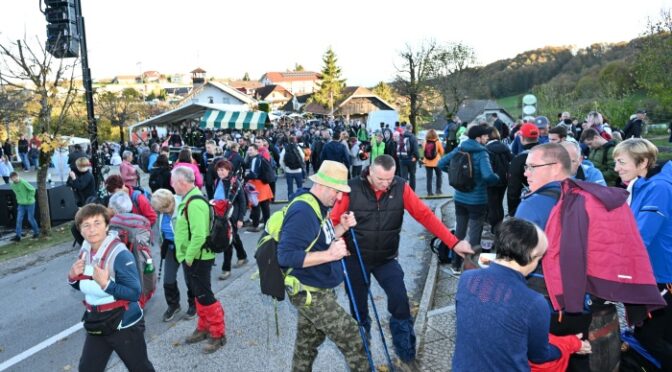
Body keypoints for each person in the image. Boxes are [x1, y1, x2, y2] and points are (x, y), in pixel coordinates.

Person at [331, 154, 474, 367]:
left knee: (400, 303)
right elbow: (333, 224)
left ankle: (406, 355)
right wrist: (339, 243)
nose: (386, 184)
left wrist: (453, 243)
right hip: (355, 259)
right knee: (358, 308)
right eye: (381, 179)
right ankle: (361, 355)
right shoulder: (350, 189)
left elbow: (424, 215)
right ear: (369, 171)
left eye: (389, 179)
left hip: (386, 258)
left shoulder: (400, 187)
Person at [452, 218, 591, 371]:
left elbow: (490, 325)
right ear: (530, 257)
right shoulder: (534, 302)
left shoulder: (467, 279)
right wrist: (570, 344)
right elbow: (539, 355)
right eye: (539, 258)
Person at [277, 160, 369, 372]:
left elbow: (320, 238)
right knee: (354, 337)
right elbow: (286, 256)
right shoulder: (303, 210)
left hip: (318, 289)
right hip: (309, 292)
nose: (339, 198)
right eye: (337, 192)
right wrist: (329, 255)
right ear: (324, 186)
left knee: (307, 345)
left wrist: (341, 227)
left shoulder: (318, 204)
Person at [67, 204, 155, 371]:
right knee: (87, 369)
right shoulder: (86, 250)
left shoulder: (120, 254)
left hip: (123, 323)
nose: (92, 229)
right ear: (80, 229)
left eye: (97, 223)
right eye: (86, 225)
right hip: (96, 321)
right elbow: (84, 284)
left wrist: (107, 284)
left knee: (140, 368)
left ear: (107, 225)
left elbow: (134, 293)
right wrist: (72, 278)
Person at [613, 138, 672, 369]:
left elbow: (639, 237)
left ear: (643, 162)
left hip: (660, 276)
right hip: (655, 273)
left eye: (621, 162)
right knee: (663, 335)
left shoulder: (658, 188)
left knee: (649, 336)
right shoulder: (643, 185)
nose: (616, 168)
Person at [172, 166, 226, 353]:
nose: (171, 185)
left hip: (197, 258)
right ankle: (203, 327)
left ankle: (218, 334)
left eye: (173, 181)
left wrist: (188, 257)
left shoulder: (194, 203)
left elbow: (199, 235)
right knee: (198, 295)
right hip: (193, 257)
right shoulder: (188, 199)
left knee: (205, 295)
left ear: (181, 182)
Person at [439, 125, 499, 273]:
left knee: (459, 232)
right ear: (478, 138)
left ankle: (455, 264)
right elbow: (488, 176)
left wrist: (458, 176)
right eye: (485, 136)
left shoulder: (460, 149)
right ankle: (471, 270)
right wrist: (497, 178)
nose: (487, 138)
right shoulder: (482, 153)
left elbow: (441, 164)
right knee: (474, 236)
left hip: (459, 198)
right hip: (477, 200)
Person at [150, 189, 196, 322]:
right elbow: (159, 229)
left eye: (165, 208)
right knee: (168, 279)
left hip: (186, 248)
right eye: (160, 210)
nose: (163, 212)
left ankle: (194, 305)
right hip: (170, 247)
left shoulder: (184, 206)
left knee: (190, 279)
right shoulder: (161, 211)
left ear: (171, 201)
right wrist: (161, 242)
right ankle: (174, 305)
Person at [212, 159, 247, 280]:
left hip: (232, 215)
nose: (220, 172)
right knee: (234, 237)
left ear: (228, 170)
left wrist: (241, 219)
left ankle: (226, 269)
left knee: (228, 241)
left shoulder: (235, 183)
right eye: (218, 170)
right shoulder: (218, 181)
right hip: (221, 214)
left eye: (222, 170)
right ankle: (242, 256)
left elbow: (242, 201)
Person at [507, 123, 541, 216]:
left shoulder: (519, 160)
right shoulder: (548, 154)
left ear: (521, 137)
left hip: (525, 205)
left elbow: (513, 188)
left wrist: (512, 212)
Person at [485, 127, 512, 234]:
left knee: (491, 204)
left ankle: (493, 228)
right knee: (499, 203)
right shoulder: (505, 147)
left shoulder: (486, 149)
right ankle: (499, 226)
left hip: (492, 180)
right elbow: (512, 160)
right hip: (504, 180)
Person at [9, 172, 40, 241]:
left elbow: (32, 189)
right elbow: (16, 193)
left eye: (15, 177)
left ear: (17, 176)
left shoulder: (23, 182)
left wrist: (29, 198)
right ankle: (18, 236)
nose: (14, 179)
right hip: (21, 204)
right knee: (19, 220)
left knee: (30, 218)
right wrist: (19, 199)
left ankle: (36, 233)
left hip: (30, 203)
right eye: (12, 178)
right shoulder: (12, 185)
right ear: (11, 179)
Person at [422, 129, 444, 196]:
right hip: (437, 162)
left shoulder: (425, 142)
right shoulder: (437, 142)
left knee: (429, 178)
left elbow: (424, 151)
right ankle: (438, 190)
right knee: (439, 176)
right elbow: (442, 152)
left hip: (427, 162)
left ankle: (429, 192)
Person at [398, 124, 419, 191]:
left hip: (402, 159)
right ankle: (412, 192)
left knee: (404, 177)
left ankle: (403, 191)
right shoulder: (413, 137)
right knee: (412, 176)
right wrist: (417, 158)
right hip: (411, 159)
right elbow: (416, 150)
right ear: (411, 128)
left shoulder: (401, 136)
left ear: (405, 129)